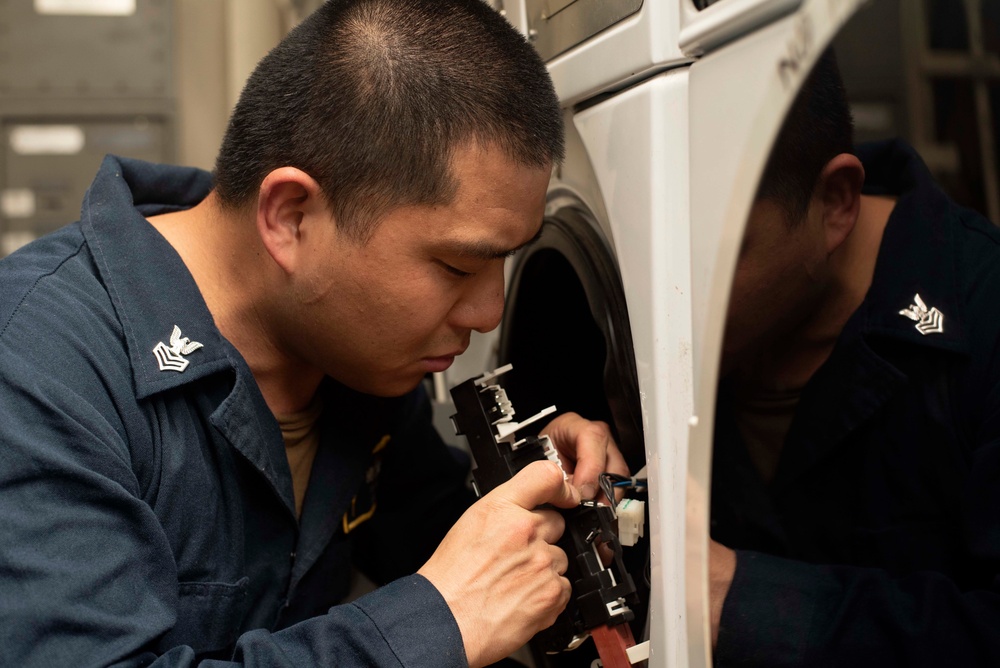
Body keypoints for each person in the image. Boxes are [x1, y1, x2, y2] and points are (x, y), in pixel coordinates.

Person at [0, 1, 627, 666]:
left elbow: (437, 540)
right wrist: (428, 627)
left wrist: (544, 489)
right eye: (456, 265)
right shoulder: (39, 367)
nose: (488, 312)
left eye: (505, 261)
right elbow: (446, 605)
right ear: (292, 216)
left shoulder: (353, 360)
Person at [708, 48, 1000, 665]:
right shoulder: (678, 322)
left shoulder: (984, 318)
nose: (668, 294)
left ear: (836, 202)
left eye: (708, 254)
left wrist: (742, 600)